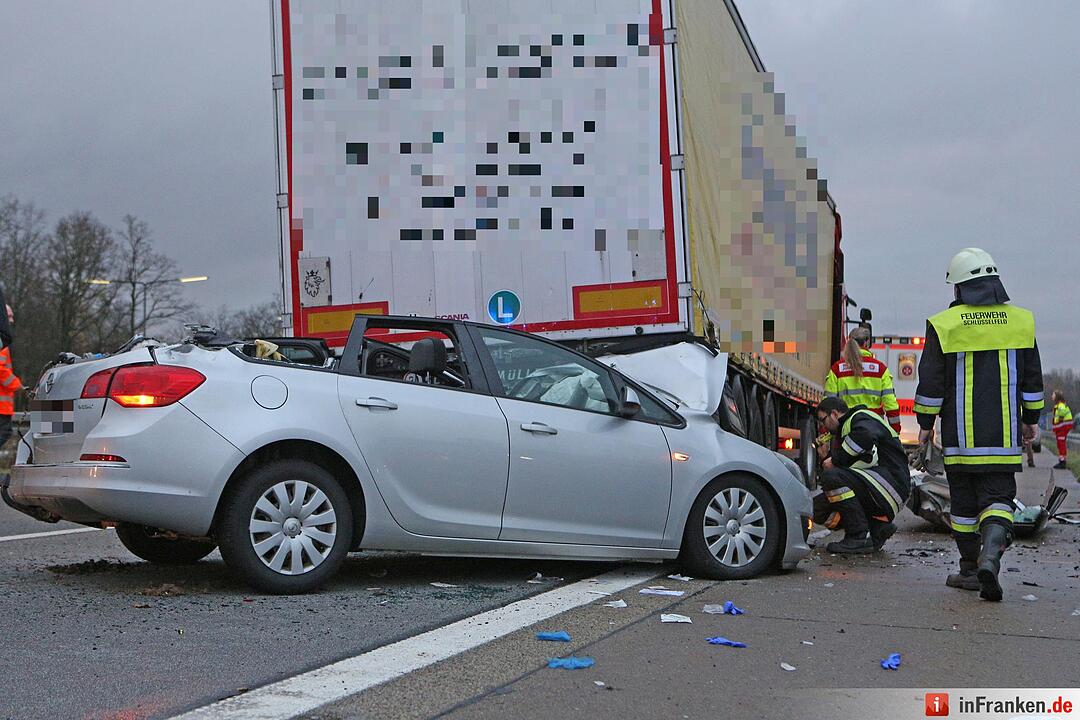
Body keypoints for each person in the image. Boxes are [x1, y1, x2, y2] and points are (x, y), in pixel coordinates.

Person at [913, 248, 1043, 601]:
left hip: (959, 439)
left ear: (959, 289)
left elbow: (931, 382)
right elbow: (1032, 380)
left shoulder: (944, 325)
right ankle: (991, 556)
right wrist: (1030, 420)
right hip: (1002, 439)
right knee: (999, 500)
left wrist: (925, 424)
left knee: (965, 509)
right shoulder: (1021, 322)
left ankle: (970, 569)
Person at [815, 396, 909, 554]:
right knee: (817, 509)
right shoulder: (848, 429)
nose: (823, 427)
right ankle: (877, 528)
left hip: (890, 485)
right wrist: (825, 458)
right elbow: (849, 471)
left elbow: (865, 437)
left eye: (823, 420)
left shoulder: (860, 417)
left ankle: (858, 536)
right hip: (878, 486)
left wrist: (834, 459)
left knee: (831, 478)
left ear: (834, 414)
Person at [824, 326, 902, 432]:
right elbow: (890, 403)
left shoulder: (837, 369)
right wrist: (895, 430)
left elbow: (828, 404)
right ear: (866, 343)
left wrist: (827, 432)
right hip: (874, 427)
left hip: (846, 428)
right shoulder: (881, 369)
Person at [0, 304, 21, 448]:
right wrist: (18, 385)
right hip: (1, 405)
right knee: (5, 432)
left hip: (3, 404)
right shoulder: (2, 342)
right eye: (9, 316)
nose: (12, 320)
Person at [1051, 390, 1073, 470]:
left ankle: (1062, 462)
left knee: (1061, 443)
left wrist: (1059, 418)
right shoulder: (1059, 405)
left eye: (1053, 395)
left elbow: (1062, 413)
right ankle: (1062, 460)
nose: (1052, 396)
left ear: (1057, 397)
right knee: (1060, 443)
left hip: (1063, 426)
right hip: (1062, 426)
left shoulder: (1060, 405)